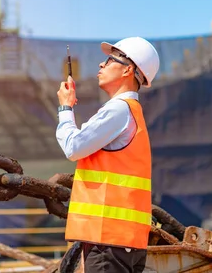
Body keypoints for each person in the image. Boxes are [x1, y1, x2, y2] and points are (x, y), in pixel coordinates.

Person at [55, 36, 160, 273]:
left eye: (109, 60)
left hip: (108, 240)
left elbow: (73, 147)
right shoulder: (131, 112)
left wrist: (65, 108)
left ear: (128, 69)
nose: (101, 65)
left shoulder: (119, 110)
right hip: (124, 241)